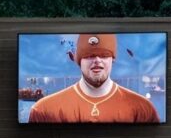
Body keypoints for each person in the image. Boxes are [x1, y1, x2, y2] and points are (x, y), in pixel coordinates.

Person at [28, 33, 160, 123]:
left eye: (103, 55)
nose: (97, 60)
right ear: (79, 61)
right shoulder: (44, 110)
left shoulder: (143, 109)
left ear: (112, 59)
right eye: (89, 55)